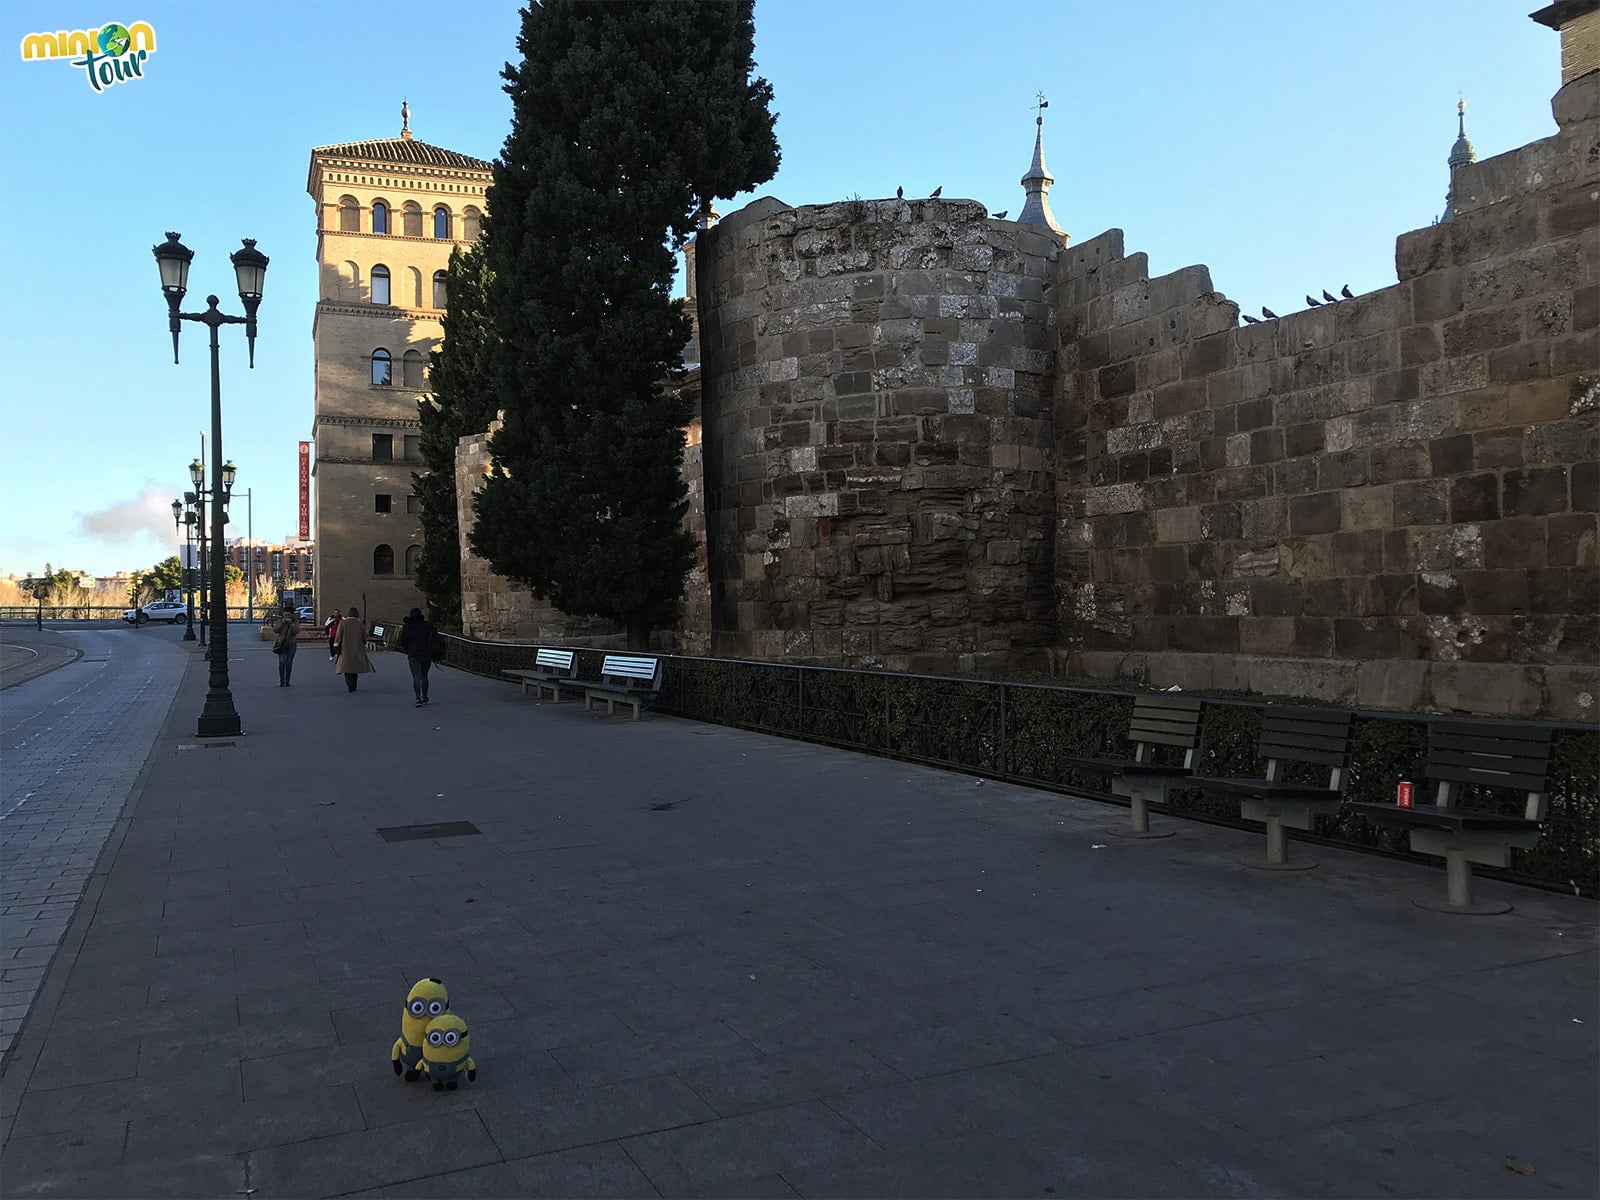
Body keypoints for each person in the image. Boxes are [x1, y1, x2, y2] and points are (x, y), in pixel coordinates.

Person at [396, 607, 438, 707]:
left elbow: (402, 641)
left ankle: (417, 698)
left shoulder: (407, 627)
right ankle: (425, 696)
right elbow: (434, 637)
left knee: (416, 677)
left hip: (413, 654)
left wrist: (408, 650)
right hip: (425, 653)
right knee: (424, 676)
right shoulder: (427, 626)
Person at [332, 606, 375, 692]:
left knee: (346, 668)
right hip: (357, 648)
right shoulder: (359, 623)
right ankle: (354, 685)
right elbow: (365, 636)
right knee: (355, 668)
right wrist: (364, 642)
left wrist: (336, 645)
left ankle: (349, 684)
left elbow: (338, 636)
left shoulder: (343, 623)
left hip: (345, 649)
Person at [270, 604, 301, 687]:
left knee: (288, 663)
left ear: (291, 615)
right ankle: (281, 680)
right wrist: (281, 624)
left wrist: (291, 624)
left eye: (288, 615)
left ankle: (287, 680)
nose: (286, 617)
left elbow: (296, 631)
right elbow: (275, 630)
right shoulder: (280, 621)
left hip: (291, 644)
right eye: (285, 615)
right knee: (282, 662)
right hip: (281, 644)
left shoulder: (295, 622)